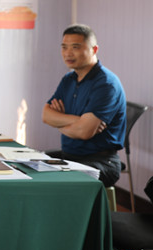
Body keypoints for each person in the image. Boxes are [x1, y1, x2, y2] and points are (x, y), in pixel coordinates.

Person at [42, 24, 126, 187]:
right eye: (64, 47)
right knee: (27, 166)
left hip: (100, 161)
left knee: (60, 182)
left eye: (75, 47)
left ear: (94, 50)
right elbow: (46, 115)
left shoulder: (106, 84)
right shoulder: (69, 79)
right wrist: (78, 121)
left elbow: (84, 132)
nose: (68, 53)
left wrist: (59, 124)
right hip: (69, 156)